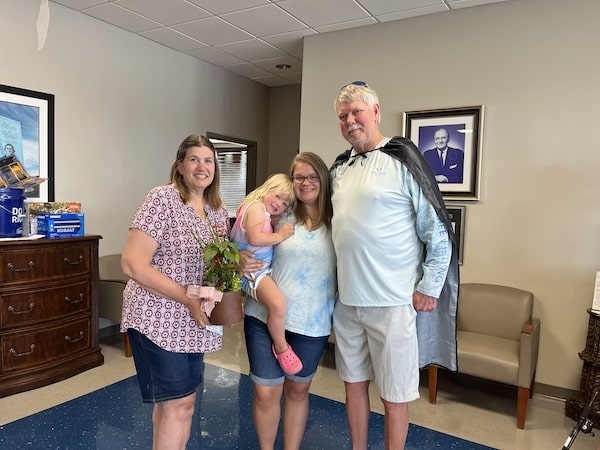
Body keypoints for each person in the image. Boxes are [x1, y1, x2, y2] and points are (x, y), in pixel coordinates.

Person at [330, 81, 459, 450]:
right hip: (347, 302)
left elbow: (437, 230)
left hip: (392, 301)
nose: (350, 120)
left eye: (357, 112)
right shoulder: (339, 168)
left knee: (394, 396)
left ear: (375, 112)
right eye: (343, 116)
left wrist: (429, 286)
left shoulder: (402, 159)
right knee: (353, 386)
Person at [120, 134, 230, 450]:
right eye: (193, 159)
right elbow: (132, 264)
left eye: (208, 160)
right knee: (179, 404)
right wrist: (187, 297)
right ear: (180, 166)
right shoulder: (162, 200)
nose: (202, 166)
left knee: (180, 403)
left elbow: (216, 263)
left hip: (194, 321)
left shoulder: (217, 211)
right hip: (156, 317)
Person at [242, 152, 336, 450]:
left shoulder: (338, 220)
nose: (305, 183)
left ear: (323, 179)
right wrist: (238, 259)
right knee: (266, 393)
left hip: (312, 322)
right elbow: (243, 239)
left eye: (312, 176)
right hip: (263, 316)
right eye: (299, 177)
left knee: (297, 391)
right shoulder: (278, 213)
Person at [230, 173, 302, 375]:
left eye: (285, 204)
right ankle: (281, 347)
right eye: (277, 196)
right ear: (265, 189)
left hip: (256, 270)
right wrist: (280, 235)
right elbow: (255, 238)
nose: (280, 204)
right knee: (278, 305)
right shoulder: (255, 207)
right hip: (255, 273)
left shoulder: (257, 209)